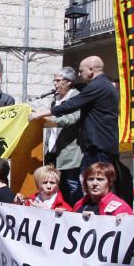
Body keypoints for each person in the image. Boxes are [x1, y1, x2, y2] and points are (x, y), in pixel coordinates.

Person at [32, 55, 120, 177]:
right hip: (103, 144)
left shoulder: (97, 86)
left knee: (96, 181)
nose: (79, 74)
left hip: (98, 146)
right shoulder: (106, 85)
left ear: (91, 69)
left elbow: (71, 105)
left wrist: (41, 113)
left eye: (81, 71)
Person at [34, 67, 82, 205]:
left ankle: (74, 211)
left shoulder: (76, 98)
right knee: (54, 184)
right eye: (54, 80)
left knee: (71, 184)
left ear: (69, 82)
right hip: (52, 150)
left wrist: (50, 121)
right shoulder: (55, 99)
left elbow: (72, 118)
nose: (55, 84)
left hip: (68, 151)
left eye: (58, 80)